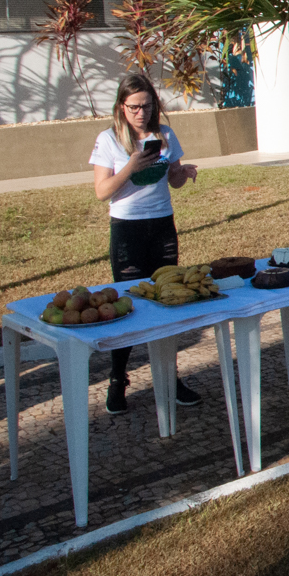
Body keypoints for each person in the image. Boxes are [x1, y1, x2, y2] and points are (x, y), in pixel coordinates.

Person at [90, 73, 201, 415]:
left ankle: (171, 377)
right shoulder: (108, 140)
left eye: (147, 105)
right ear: (121, 107)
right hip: (127, 230)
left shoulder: (164, 135)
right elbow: (102, 191)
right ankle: (117, 379)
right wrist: (131, 167)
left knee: (167, 300)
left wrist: (183, 174)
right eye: (134, 107)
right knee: (127, 306)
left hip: (162, 226)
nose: (141, 112)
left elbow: (173, 179)